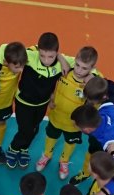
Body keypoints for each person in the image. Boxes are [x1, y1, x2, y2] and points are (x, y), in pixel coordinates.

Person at [5, 32, 72, 169]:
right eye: (42, 55)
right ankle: (13, 148)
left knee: (34, 128)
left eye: (51, 56)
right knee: (26, 129)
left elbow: (85, 64)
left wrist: (62, 59)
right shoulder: (30, 55)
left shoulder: (63, 62)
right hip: (24, 102)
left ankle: (23, 148)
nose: (46, 60)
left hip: (42, 104)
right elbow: (6, 50)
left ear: (57, 53)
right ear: (38, 51)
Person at [35, 46, 99, 179]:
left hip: (73, 123)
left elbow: (101, 88)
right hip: (56, 117)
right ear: (74, 60)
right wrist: (51, 98)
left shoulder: (92, 82)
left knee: (70, 142)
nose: (79, 70)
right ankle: (47, 155)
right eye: (77, 65)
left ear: (92, 69)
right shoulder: (64, 70)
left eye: (84, 68)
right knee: (51, 137)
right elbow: (51, 82)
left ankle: (64, 161)